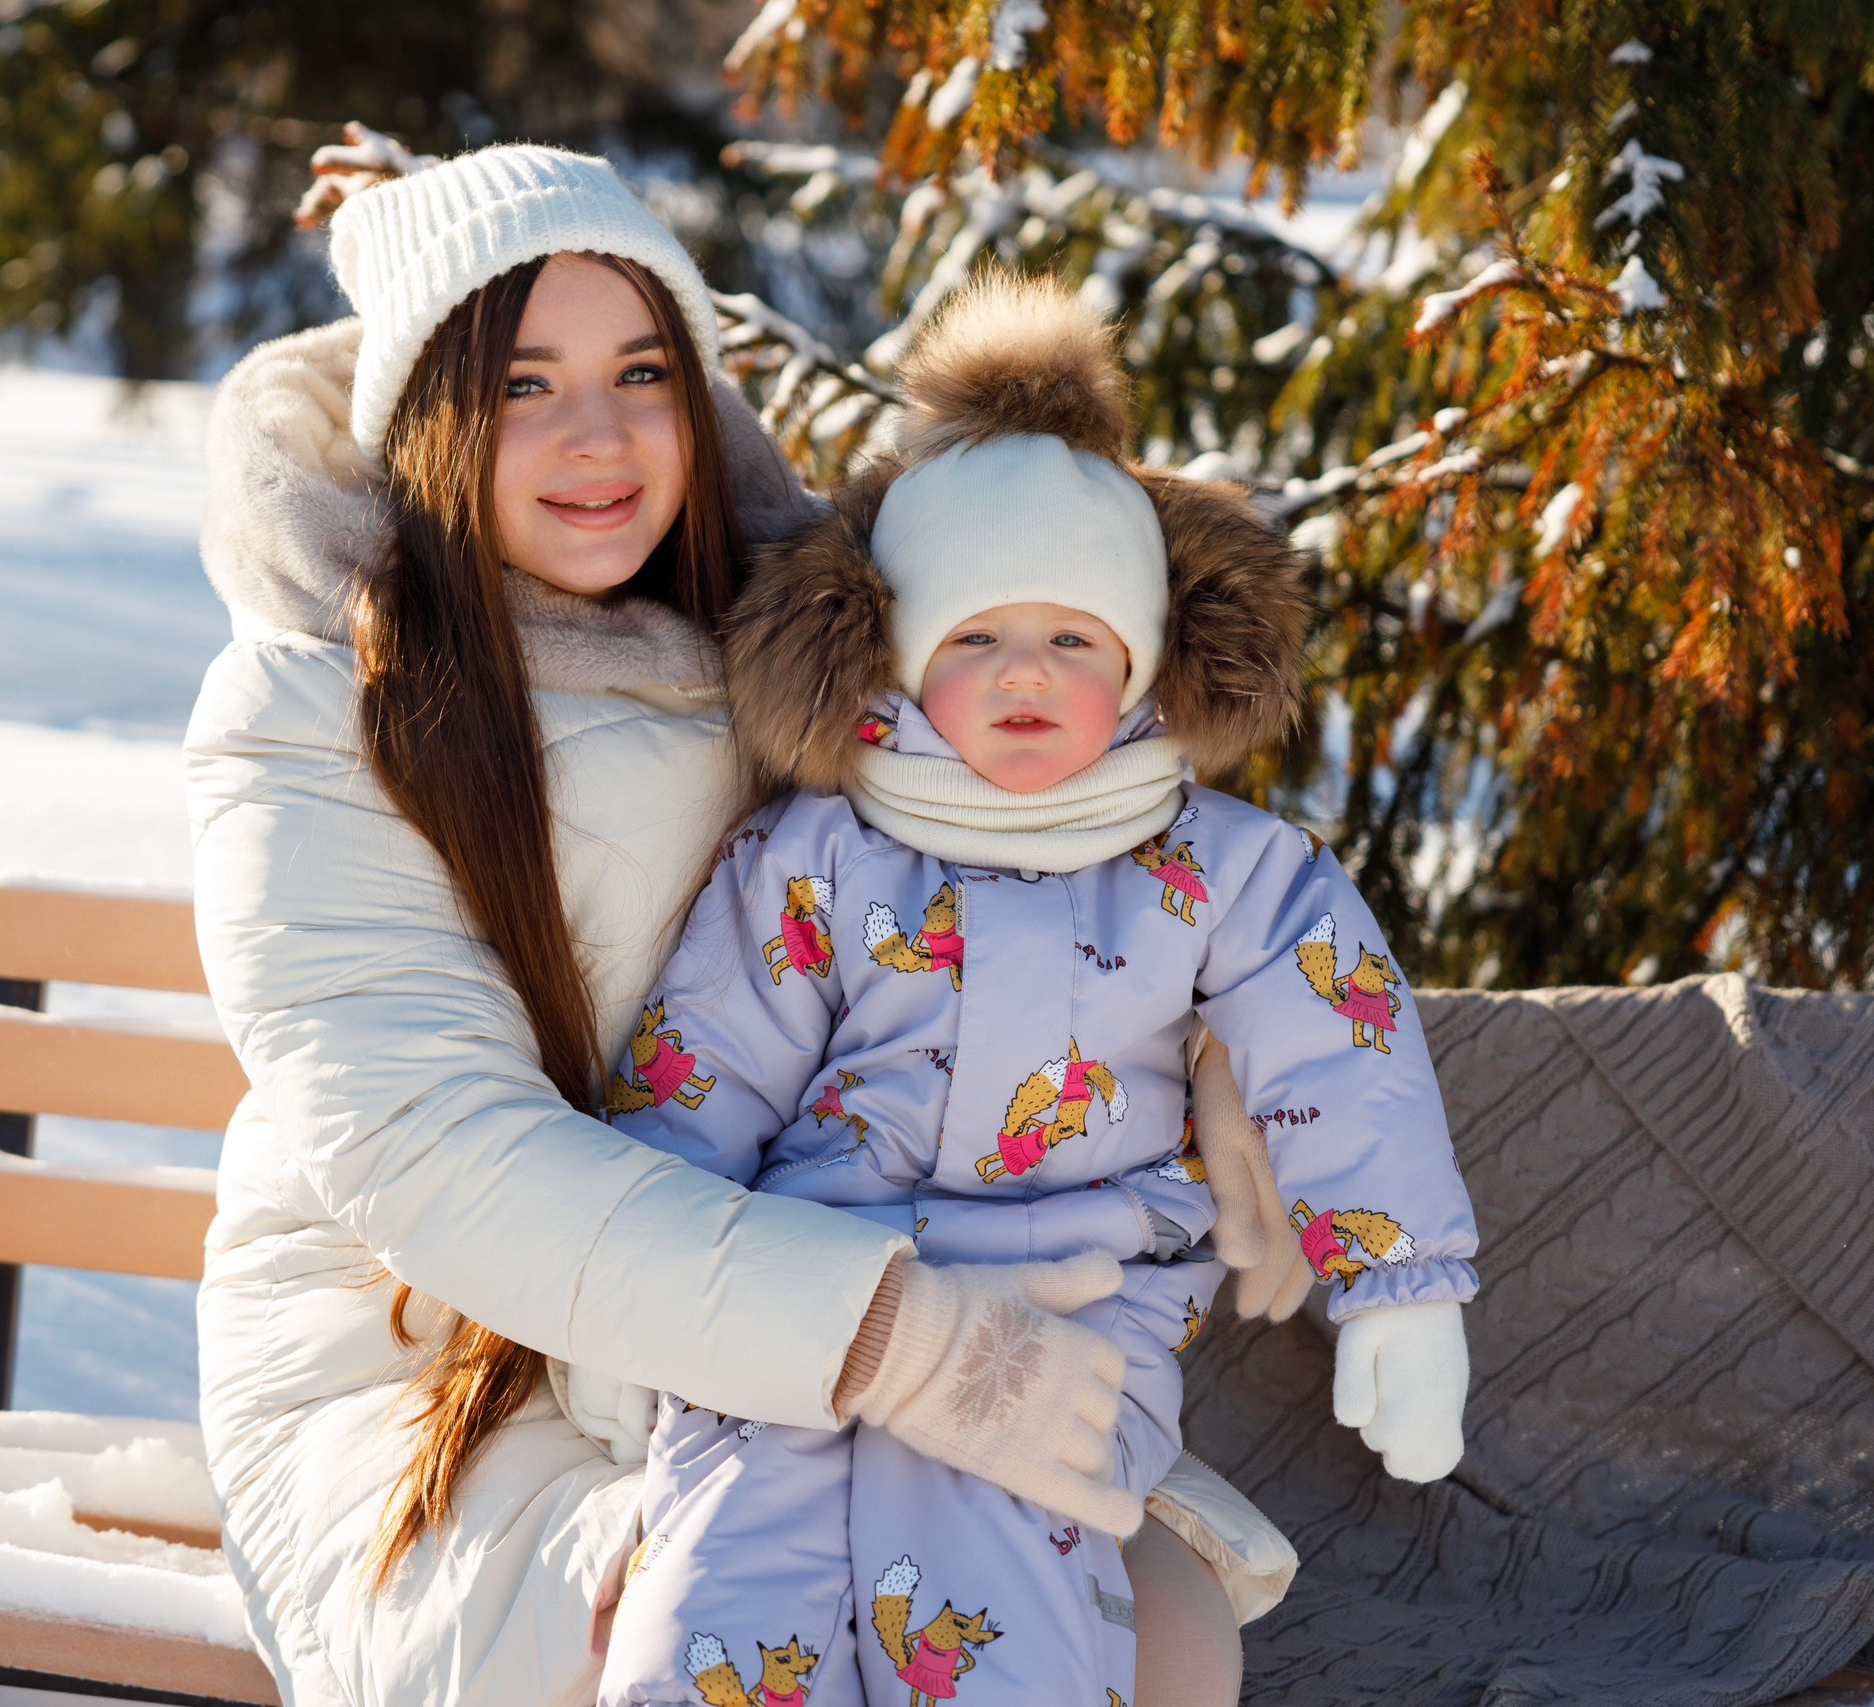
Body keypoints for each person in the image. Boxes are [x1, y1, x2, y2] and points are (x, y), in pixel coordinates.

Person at [186, 144, 1298, 1707]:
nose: (599, 436)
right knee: (754, 1647)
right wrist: (895, 1348)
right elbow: (429, 1149)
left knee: (1168, 1634)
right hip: (439, 1354)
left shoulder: (793, 643)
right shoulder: (310, 704)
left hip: (831, 1269)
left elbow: (1058, 817)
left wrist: (1219, 1034)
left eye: (641, 370)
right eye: (523, 384)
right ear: (435, 413)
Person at [590, 278, 1480, 1707]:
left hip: (1070, 1318)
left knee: (985, 1579)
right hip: (806, 1296)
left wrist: (1404, 1292)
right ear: (898, 658)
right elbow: (707, 1070)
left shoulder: (1223, 873)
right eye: (975, 639)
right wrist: (624, 1298)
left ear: (1135, 661)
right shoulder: (818, 854)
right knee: (728, 1576)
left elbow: (1342, 1047)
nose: (1026, 676)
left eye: (1072, 639)